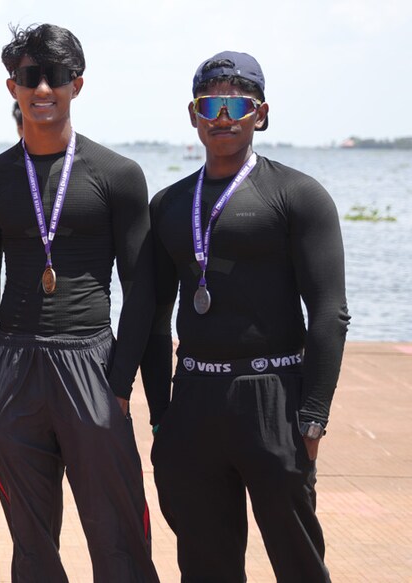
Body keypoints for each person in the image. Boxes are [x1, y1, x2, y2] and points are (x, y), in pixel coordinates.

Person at [141, 51, 350, 582]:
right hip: (193, 398)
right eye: (209, 104)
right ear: (193, 114)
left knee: (299, 563)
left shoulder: (297, 195)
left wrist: (313, 415)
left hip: (273, 394)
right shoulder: (168, 204)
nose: (222, 117)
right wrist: (162, 415)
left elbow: (329, 312)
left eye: (237, 105)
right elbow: (153, 316)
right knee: (204, 566)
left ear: (261, 113)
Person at [0, 23, 159, 582]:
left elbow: (141, 291)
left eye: (56, 76)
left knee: (119, 536)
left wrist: (122, 384)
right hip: (13, 363)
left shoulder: (118, 175)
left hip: (90, 360)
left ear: (78, 84)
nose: (43, 89)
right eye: (31, 77)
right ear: (13, 86)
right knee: (31, 543)